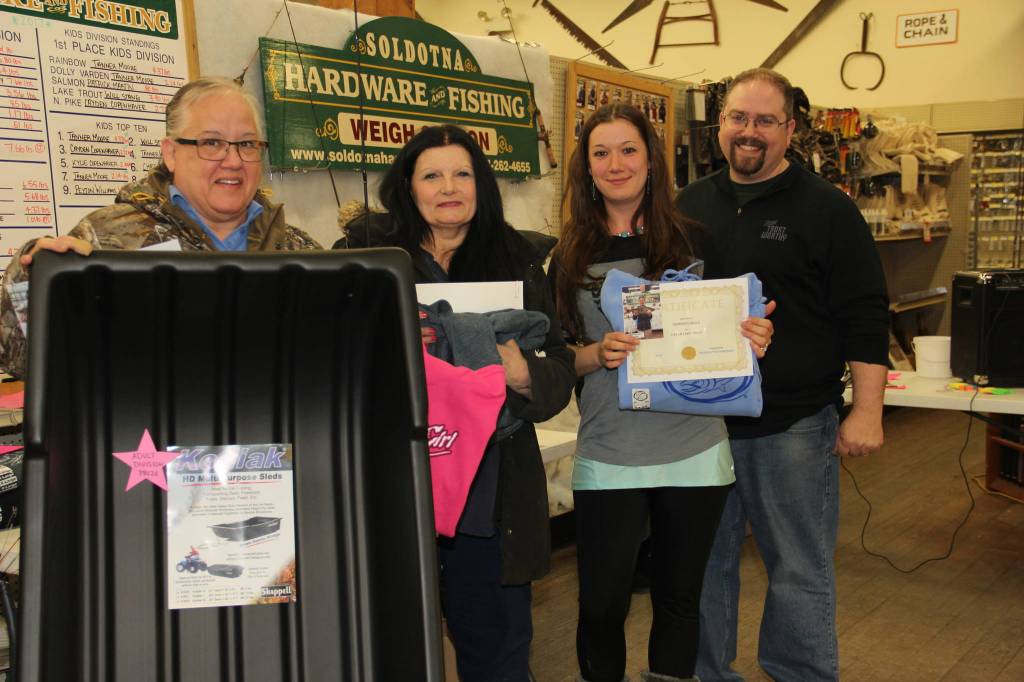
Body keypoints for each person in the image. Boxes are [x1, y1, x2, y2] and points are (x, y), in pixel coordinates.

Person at [335, 124, 576, 682]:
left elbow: (560, 368)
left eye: (463, 173)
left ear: (482, 185)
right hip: (393, 487)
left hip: (491, 500)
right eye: (432, 175)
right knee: (388, 653)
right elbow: (330, 358)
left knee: (498, 655)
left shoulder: (518, 260)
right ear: (408, 187)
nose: (449, 187)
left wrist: (522, 373)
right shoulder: (366, 257)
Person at [675, 68, 889, 682]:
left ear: (790, 130)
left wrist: (867, 409)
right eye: (739, 118)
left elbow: (865, 313)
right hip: (701, 424)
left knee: (798, 567)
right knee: (701, 565)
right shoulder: (689, 205)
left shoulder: (827, 208)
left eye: (766, 120)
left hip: (791, 425)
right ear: (720, 125)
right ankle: (705, 674)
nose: (750, 131)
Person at [549, 103, 774, 682]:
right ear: (586, 167)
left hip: (695, 449)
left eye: (628, 150)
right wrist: (596, 354)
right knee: (602, 604)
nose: (615, 163)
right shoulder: (566, 256)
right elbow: (555, 359)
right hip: (610, 450)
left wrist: (753, 334)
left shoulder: (698, 241)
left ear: (651, 160)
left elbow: (734, 328)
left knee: (679, 599)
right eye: (601, 152)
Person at [0, 76, 320, 378]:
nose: (234, 160)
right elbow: (22, 360)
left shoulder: (299, 252)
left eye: (247, 144)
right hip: (144, 436)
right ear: (171, 154)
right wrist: (34, 275)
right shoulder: (105, 239)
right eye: (211, 142)